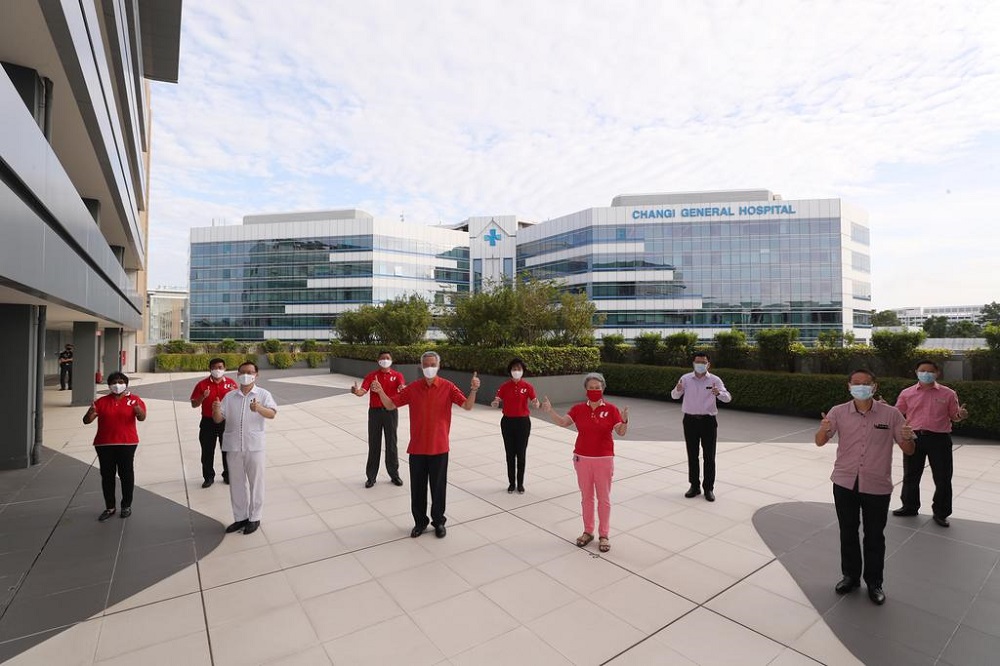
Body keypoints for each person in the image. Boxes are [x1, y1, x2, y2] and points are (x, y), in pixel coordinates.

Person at [815, 369, 915, 606]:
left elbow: (909, 449)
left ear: (875, 387)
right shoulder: (837, 412)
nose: (861, 387)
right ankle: (850, 576)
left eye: (866, 384)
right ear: (848, 386)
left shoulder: (891, 414)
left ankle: (874, 582)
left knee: (874, 536)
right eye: (856, 383)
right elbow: (820, 441)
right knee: (847, 531)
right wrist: (823, 427)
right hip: (844, 481)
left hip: (877, 484)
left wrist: (908, 437)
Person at [370, 351, 479, 539]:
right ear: (421, 367)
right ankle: (420, 522)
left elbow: (467, 406)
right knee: (418, 489)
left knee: (438, 489)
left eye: (432, 365)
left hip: (439, 448)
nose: (429, 368)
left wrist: (474, 390)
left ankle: (439, 522)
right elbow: (390, 405)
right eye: (426, 365)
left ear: (438, 366)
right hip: (418, 448)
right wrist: (380, 392)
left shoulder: (448, 387)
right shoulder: (413, 388)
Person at [541, 372, 628, 553]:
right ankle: (588, 531)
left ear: (603, 389)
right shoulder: (578, 409)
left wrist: (625, 420)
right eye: (591, 388)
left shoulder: (611, 409)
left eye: (598, 388)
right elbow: (564, 422)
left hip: (603, 459)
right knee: (586, 498)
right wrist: (550, 410)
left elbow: (620, 432)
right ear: (586, 390)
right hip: (582, 459)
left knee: (604, 499)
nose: (595, 390)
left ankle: (604, 534)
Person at [892, 359, 969, 527]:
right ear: (916, 372)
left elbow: (954, 416)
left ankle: (941, 513)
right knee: (911, 474)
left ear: (937, 373)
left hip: (939, 439)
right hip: (914, 437)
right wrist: (885, 409)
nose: (926, 374)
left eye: (930, 371)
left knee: (943, 477)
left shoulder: (948, 393)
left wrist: (960, 415)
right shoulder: (907, 393)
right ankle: (909, 506)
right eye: (922, 370)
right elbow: (897, 413)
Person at [212, 361, 277, 535]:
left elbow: (272, 414)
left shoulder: (263, 394)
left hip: (254, 446)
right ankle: (240, 517)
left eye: (250, 372)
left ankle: (255, 517)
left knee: (256, 483)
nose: (246, 375)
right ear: (238, 374)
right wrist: (216, 410)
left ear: (256, 374)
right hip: (233, 446)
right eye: (242, 372)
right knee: (237, 483)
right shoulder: (230, 396)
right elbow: (218, 419)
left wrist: (259, 408)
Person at [82, 372, 146, 521]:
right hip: (104, 444)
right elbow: (87, 420)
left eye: (121, 381)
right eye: (114, 382)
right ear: (109, 385)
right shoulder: (101, 402)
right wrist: (90, 412)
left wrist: (138, 411)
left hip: (127, 443)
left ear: (126, 384)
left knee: (126, 475)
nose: (118, 385)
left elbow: (142, 417)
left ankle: (126, 505)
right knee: (107, 476)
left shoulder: (134, 400)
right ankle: (110, 507)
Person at [670, 352, 731, 502]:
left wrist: (719, 393)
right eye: (697, 362)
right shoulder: (685, 379)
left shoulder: (715, 380)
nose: (700, 364)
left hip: (708, 421)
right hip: (690, 421)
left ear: (708, 364)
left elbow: (728, 397)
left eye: (703, 362)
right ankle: (694, 486)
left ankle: (708, 488)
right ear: (693, 363)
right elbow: (674, 396)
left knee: (709, 456)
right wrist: (678, 389)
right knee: (692, 454)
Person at [351, 351, 406, 488]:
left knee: (391, 444)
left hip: (391, 412)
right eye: (382, 358)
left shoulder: (397, 375)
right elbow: (362, 391)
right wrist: (356, 391)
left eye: (387, 358)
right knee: (374, 444)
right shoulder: (371, 376)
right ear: (378, 360)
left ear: (391, 360)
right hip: (375, 413)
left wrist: (402, 388)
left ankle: (394, 475)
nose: (385, 360)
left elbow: (402, 388)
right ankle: (371, 477)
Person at [491, 357, 540, 494]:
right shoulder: (504, 386)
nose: (516, 371)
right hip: (507, 422)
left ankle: (521, 484)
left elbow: (535, 401)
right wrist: (495, 403)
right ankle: (511, 483)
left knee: (521, 454)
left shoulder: (528, 387)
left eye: (519, 369)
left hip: (523, 422)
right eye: (514, 369)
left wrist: (537, 404)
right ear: (510, 371)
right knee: (510, 454)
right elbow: (497, 399)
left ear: (523, 371)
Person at [190, 358, 239, 488]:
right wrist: (202, 397)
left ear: (225, 368)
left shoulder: (231, 384)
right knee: (207, 451)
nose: (217, 370)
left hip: (226, 422)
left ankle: (228, 475)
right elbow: (194, 404)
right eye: (214, 367)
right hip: (207, 422)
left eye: (220, 367)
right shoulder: (201, 385)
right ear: (210, 369)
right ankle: (208, 477)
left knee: (227, 450)